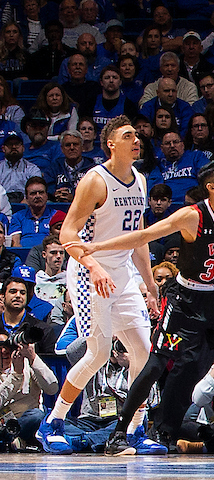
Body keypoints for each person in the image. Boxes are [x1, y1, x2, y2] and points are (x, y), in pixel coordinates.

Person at [79, 161, 214, 455]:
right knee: (156, 364)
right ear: (212, 187)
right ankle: (118, 434)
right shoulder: (192, 216)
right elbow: (144, 236)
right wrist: (96, 247)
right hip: (186, 302)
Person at [37, 117, 160, 455]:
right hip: (88, 274)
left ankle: (133, 430)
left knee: (143, 351)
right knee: (99, 353)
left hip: (122, 275)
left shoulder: (141, 180)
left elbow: (140, 237)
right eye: (128, 135)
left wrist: (149, 283)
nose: (136, 139)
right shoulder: (95, 180)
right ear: (111, 144)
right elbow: (68, 235)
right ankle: (53, 422)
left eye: (137, 134)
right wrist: (93, 267)